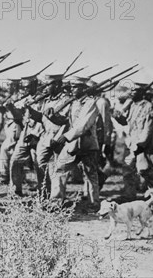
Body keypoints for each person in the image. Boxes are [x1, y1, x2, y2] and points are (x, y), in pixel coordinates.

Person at [50, 76, 100, 207]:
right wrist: (52, 116)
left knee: (91, 175)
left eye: (75, 87)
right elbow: (64, 120)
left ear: (83, 89)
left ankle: (94, 203)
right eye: (71, 87)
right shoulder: (73, 102)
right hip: (73, 145)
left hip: (87, 144)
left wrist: (66, 136)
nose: (72, 90)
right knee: (60, 169)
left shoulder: (91, 103)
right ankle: (55, 203)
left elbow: (83, 125)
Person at [114, 82, 153, 199]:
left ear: (142, 93)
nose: (132, 93)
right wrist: (118, 118)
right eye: (131, 90)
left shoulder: (147, 106)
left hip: (142, 143)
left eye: (135, 91)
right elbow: (126, 122)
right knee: (127, 169)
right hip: (132, 142)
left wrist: (142, 144)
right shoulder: (132, 105)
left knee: (143, 169)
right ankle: (129, 195)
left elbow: (148, 127)